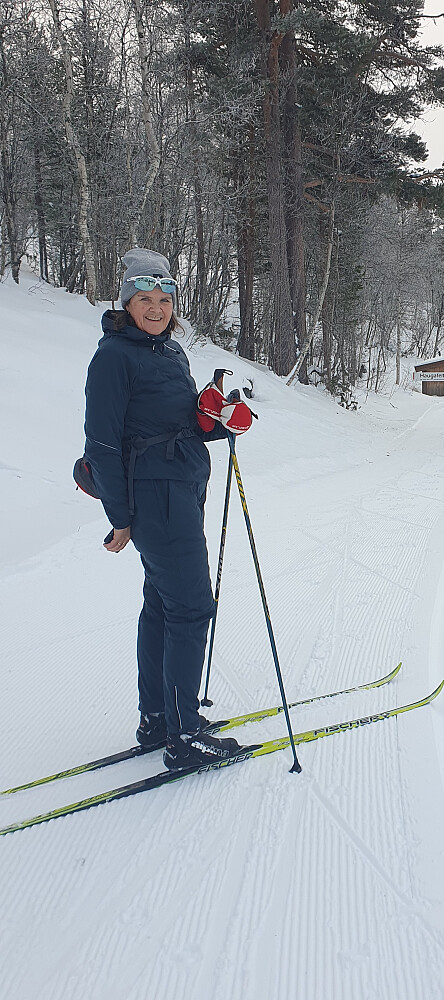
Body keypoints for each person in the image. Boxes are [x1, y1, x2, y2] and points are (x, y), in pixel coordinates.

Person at [84, 248, 247, 769]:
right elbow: (103, 443)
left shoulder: (168, 351)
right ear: (126, 302)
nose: (155, 308)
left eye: (164, 299)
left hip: (181, 487)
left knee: (162, 606)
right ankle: (185, 734)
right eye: (144, 299)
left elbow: (182, 422)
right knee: (192, 607)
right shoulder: (114, 357)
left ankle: (157, 719)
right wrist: (121, 517)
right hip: (154, 496)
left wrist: (221, 421)